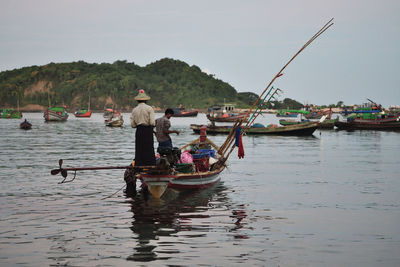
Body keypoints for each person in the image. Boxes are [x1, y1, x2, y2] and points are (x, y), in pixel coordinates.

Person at [130, 89, 156, 166]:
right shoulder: (149, 108)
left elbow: (133, 125)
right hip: (148, 130)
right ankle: (150, 164)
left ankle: (139, 164)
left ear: (137, 101)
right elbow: (152, 122)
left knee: (139, 149)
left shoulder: (134, 110)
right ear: (146, 100)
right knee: (149, 148)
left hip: (139, 130)